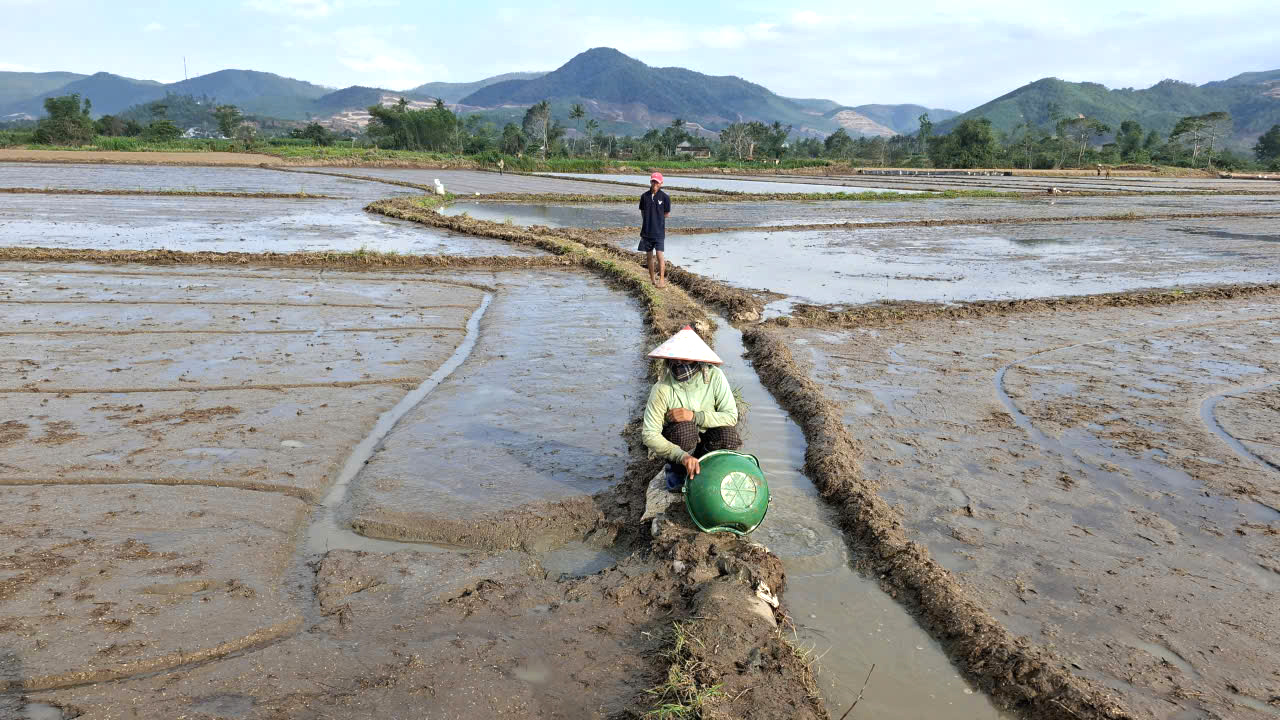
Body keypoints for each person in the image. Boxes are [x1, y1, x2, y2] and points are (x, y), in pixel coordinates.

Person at [641, 326, 741, 491]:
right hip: (682, 447)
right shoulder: (662, 388)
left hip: (708, 441)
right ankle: (679, 473)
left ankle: (709, 471)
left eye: (686, 360)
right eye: (676, 360)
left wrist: (694, 416)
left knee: (728, 435)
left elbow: (730, 416)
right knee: (685, 431)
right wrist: (682, 456)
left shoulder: (714, 376)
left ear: (697, 360)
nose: (679, 364)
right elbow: (649, 434)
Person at [638, 171, 671, 288]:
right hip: (646, 232)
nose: (655, 184)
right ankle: (652, 280)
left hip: (659, 232)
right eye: (653, 181)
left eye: (657, 182)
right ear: (650, 182)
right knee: (649, 257)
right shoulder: (644, 196)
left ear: (661, 183)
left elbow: (666, 214)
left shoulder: (665, 197)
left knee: (659, 255)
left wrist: (656, 218)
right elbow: (642, 211)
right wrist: (648, 220)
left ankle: (661, 280)